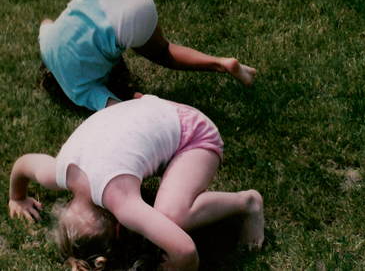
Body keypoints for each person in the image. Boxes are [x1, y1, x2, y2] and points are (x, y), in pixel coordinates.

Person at [8, 95, 264, 271]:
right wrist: (17, 195)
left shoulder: (119, 200)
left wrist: (178, 267)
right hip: (144, 110)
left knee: (171, 217)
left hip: (194, 136)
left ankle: (248, 203)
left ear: (119, 229)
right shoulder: (58, 171)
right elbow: (23, 164)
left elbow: (185, 251)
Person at [39, 0, 257, 111]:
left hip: (129, 19)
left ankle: (221, 64)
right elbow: (45, 23)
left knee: (164, 52)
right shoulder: (46, 45)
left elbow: (115, 108)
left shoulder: (79, 91)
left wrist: (140, 103)